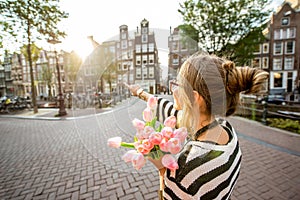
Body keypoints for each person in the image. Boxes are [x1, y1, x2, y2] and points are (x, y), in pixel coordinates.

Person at [127, 53, 269, 199]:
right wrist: (140, 93)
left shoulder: (186, 168)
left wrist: (163, 168)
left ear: (195, 98)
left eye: (178, 84)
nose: (173, 89)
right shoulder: (226, 130)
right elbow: (170, 111)